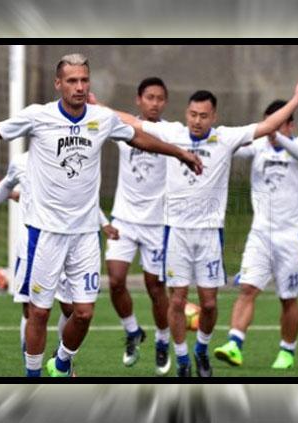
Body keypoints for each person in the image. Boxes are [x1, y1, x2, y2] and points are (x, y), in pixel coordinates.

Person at [0, 53, 202, 377]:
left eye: (84, 80)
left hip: (84, 237)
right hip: (45, 233)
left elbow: (139, 137)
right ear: (58, 84)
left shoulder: (102, 118)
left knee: (83, 313)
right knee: (38, 312)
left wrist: (179, 153)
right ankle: (34, 377)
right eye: (72, 81)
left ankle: (62, 361)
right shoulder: (39, 116)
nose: (79, 87)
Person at [116, 78, 298, 377]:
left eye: (203, 115)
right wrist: (93, 106)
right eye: (193, 114)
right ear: (187, 114)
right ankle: (183, 359)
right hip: (176, 232)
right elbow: (132, 121)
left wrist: (296, 99)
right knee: (178, 300)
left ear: (214, 116)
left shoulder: (225, 138)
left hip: (209, 234)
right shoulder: (172, 132)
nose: (197, 120)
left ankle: (201, 349)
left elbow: (265, 126)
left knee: (209, 305)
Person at [0, 151, 119, 375]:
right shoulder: (21, 162)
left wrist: (103, 223)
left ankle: (62, 360)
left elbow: (84, 198)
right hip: (32, 244)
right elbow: (5, 186)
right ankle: (32, 368)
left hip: (71, 244)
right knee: (32, 311)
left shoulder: (71, 160)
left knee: (73, 309)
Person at [213, 100, 298, 370]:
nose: (271, 128)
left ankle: (287, 351)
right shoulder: (258, 147)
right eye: (268, 122)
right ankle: (234, 343)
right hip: (260, 234)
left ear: (290, 124)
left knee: (288, 297)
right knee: (247, 288)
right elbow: (233, 146)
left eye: (279, 122)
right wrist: (218, 133)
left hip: (292, 236)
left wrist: (277, 135)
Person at [102, 77, 173, 375]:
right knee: (116, 280)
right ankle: (132, 331)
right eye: (150, 97)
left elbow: (130, 123)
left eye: (160, 98)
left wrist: (99, 105)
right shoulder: (123, 130)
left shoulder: (170, 131)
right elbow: (108, 122)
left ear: (165, 102)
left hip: (157, 224)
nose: (155, 103)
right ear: (139, 100)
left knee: (155, 288)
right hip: (124, 220)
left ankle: (162, 339)